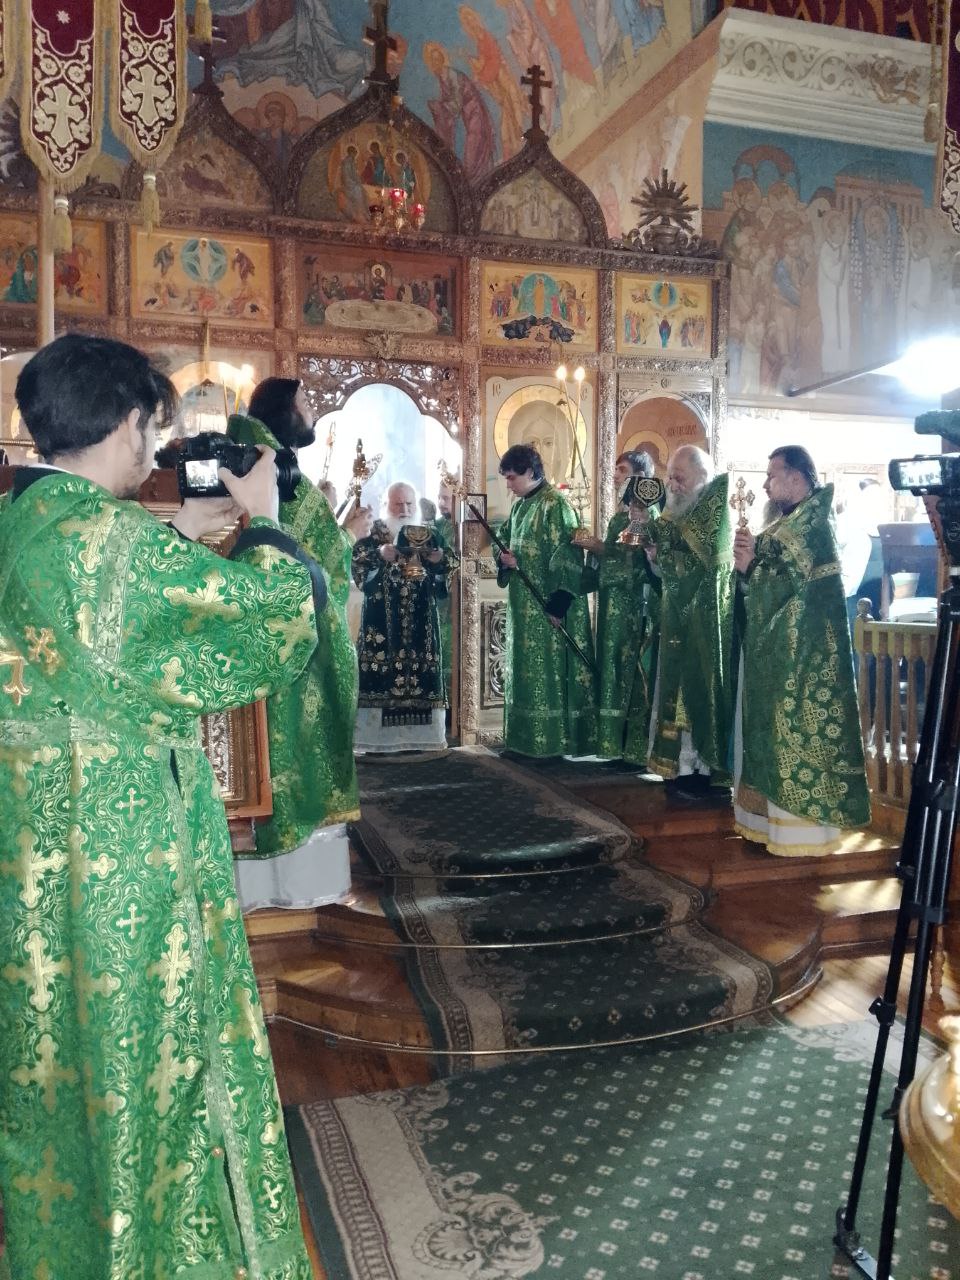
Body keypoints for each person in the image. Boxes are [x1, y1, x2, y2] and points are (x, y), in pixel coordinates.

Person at [0, 334, 317, 1278]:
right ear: (129, 422)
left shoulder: (24, 524)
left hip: (32, 849)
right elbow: (269, 627)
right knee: (148, 1058)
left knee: (55, 1063)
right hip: (125, 852)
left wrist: (176, 532)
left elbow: (90, 633)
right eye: (151, 427)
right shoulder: (114, 545)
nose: (152, 447)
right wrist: (265, 524)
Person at [228, 377, 372, 911]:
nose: (312, 412)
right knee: (294, 750)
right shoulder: (277, 472)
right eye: (306, 403)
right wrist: (352, 533)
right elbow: (316, 565)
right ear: (286, 409)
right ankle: (298, 886)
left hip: (260, 642)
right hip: (295, 650)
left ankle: (263, 885)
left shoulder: (254, 457)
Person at [732, 446, 870, 854]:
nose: (764, 484)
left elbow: (790, 592)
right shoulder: (787, 524)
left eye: (771, 475)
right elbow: (767, 581)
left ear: (795, 477)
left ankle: (799, 834)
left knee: (792, 733)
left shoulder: (811, 525)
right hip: (776, 653)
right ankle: (764, 824)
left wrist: (751, 568)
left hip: (803, 658)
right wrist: (747, 569)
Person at [496, 444, 596, 758]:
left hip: (547, 609)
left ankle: (551, 743)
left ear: (529, 471)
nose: (509, 484)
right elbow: (503, 540)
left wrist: (559, 604)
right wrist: (504, 559)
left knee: (548, 673)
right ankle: (524, 742)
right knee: (523, 672)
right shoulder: (519, 507)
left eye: (512, 477)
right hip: (522, 608)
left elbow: (569, 555)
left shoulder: (556, 505)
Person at [646, 445, 734, 788]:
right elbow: (666, 572)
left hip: (704, 620)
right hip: (674, 614)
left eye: (679, 478)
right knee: (672, 688)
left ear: (702, 477)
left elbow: (700, 569)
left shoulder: (714, 513)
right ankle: (679, 766)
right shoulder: (675, 514)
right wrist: (654, 556)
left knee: (698, 689)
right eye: (670, 477)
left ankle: (702, 767)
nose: (673, 485)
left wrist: (665, 556)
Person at [352, 481, 458, 752]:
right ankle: (378, 742)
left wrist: (439, 560)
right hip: (381, 622)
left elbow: (452, 562)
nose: (405, 509)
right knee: (381, 674)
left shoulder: (430, 533)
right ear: (387, 504)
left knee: (421, 674)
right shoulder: (374, 532)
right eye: (398, 503)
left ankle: (424, 740)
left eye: (409, 503)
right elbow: (356, 561)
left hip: (422, 622)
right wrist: (379, 555)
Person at [579, 449, 661, 763]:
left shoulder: (653, 520)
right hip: (611, 609)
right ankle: (612, 744)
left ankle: (635, 750)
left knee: (634, 672)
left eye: (622, 470)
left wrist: (601, 549)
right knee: (611, 667)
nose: (615, 476)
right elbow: (608, 564)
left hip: (637, 610)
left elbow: (638, 570)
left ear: (641, 477)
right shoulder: (617, 519)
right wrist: (594, 554)